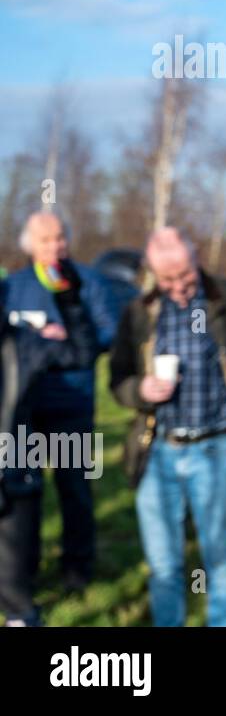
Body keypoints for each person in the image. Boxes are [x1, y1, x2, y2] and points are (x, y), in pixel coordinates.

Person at [109, 228, 226, 626]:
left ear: (196, 260)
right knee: (163, 564)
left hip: (217, 447)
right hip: (157, 450)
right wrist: (139, 389)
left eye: (184, 275)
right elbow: (117, 376)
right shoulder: (139, 311)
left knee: (220, 559)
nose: (177, 286)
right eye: (167, 279)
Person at [6, 212, 120, 590]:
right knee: (24, 491)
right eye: (45, 240)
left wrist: (65, 339)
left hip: (72, 404)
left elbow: (106, 333)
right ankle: (27, 566)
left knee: (75, 488)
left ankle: (77, 567)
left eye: (59, 238)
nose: (54, 246)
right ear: (30, 245)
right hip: (22, 408)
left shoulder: (87, 280)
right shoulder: (15, 285)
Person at [0, 267, 100, 625]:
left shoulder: (23, 344)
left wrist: (69, 299)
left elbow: (81, 353)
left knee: (16, 593)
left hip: (13, 479)